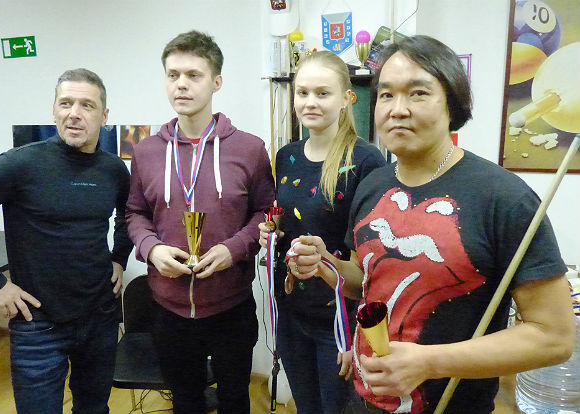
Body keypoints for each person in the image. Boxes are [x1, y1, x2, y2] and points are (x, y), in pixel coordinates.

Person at [291, 35, 576, 414]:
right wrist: (327, 263)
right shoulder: (372, 185)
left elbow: (554, 337)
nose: (397, 109)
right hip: (364, 400)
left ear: (452, 103)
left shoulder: (504, 198)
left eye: (418, 93)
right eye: (387, 95)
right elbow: (367, 281)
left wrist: (429, 362)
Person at [0, 68, 133, 414]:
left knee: (95, 409)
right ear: (54, 111)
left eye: (87, 105)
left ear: (104, 116)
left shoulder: (114, 169)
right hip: (37, 324)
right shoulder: (20, 164)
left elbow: (128, 216)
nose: (74, 113)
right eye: (66, 103)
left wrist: (119, 258)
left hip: (100, 317)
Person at [125, 30, 274, 414]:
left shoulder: (249, 149)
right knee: (186, 402)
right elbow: (134, 212)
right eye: (173, 75)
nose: (182, 84)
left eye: (194, 75)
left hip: (231, 306)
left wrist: (233, 249)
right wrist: (151, 249)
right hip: (168, 308)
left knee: (234, 401)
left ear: (216, 82)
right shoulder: (146, 152)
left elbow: (265, 212)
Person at [259, 50, 386, 414]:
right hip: (292, 312)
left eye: (322, 93)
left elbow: (371, 255)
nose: (310, 102)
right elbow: (288, 221)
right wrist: (271, 232)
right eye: (302, 93)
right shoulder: (286, 156)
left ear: (347, 98)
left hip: (339, 319)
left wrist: (356, 334)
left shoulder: (366, 160)